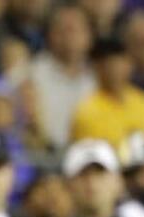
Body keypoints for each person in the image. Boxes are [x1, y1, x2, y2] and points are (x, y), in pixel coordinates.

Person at [27, 3, 95, 150]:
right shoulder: (31, 73)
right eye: (62, 30)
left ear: (89, 36)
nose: (69, 37)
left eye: (74, 30)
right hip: (44, 154)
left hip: (88, 155)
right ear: (49, 35)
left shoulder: (97, 77)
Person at [71, 37, 144, 148]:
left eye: (119, 63)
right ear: (97, 68)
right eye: (108, 65)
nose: (114, 71)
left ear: (129, 64)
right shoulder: (86, 112)